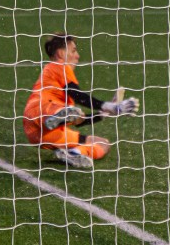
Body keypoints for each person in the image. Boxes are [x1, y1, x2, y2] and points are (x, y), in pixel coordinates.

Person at [22, 32, 139, 169]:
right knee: (68, 111)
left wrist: (105, 113)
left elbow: (79, 121)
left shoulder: (64, 97)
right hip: (38, 113)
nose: (77, 56)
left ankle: (74, 153)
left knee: (103, 143)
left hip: (40, 135)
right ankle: (52, 118)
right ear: (60, 53)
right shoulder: (56, 66)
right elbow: (78, 94)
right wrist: (108, 106)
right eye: (73, 51)